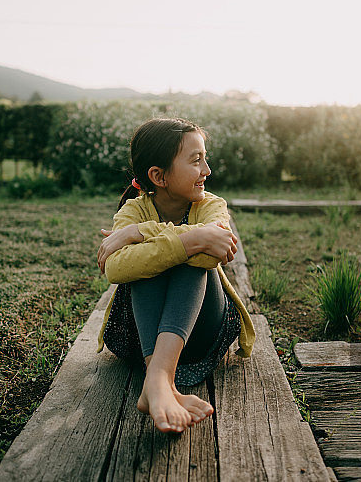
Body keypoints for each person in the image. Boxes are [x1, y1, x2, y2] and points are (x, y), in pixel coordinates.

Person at [96, 117, 255, 434]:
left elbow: (212, 254)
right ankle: (160, 381)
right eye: (196, 160)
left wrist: (139, 233)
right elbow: (116, 268)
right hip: (140, 339)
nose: (207, 170)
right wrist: (194, 238)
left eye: (205, 158)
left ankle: (157, 378)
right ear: (159, 176)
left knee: (191, 261)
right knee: (154, 262)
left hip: (201, 334)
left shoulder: (211, 205)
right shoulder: (133, 210)